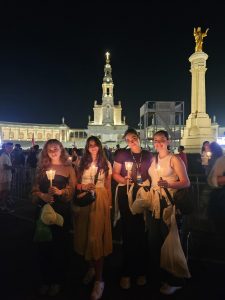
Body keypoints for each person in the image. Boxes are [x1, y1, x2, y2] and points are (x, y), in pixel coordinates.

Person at [147, 130, 190, 295]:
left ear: (168, 141)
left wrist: (169, 185)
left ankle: (176, 279)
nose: (158, 143)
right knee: (155, 241)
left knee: (170, 241)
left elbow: (185, 182)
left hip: (168, 205)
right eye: (155, 140)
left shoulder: (174, 159)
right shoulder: (154, 159)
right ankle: (162, 275)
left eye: (161, 140)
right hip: (154, 204)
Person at [31, 139, 76, 296]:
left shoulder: (68, 168)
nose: (53, 152)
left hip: (60, 212)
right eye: (49, 149)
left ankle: (57, 280)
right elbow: (34, 191)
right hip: (43, 210)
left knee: (59, 246)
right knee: (43, 246)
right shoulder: (41, 168)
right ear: (45, 152)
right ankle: (45, 279)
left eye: (55, 148)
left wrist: (61, 192)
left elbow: (72, 190)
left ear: (61, 149)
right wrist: (42, 195)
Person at [73, 136, 112, 300]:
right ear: (87, 148)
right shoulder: (81, 163)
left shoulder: (106, 164)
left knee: (95, 238)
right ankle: (91, 268)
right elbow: (75, 184)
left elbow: (108, 186)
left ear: (100, 147)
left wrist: (109, 206)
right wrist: (83, 186)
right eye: (90, 146)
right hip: (84, 200)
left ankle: (99, 280)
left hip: (100, 201)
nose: (93, 148)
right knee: (84, 237)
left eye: (95, 145)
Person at [112, 127, 152, 290]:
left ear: (138, 137)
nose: (131, 141)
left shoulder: (148, 155)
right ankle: (126, 272)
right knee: (128, 232)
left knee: (142, 232)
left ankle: (142, 270)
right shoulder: (121, 154)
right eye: (128, 139)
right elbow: (114, 173)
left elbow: (152, 174)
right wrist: (124, 179)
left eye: (133, 137)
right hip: (126, 192)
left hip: (143, 193)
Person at [0, 142, 14, 212]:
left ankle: (3, 205)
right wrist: (13, 168)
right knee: (5, 192)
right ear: (5, 148)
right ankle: (3, 206)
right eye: (9, 147)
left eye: (11, 147)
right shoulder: (4, 156)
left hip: (6, 177)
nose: (10, 149)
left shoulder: (8, 155)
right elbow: (5, 166)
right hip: (4, 177)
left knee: (4, 192)